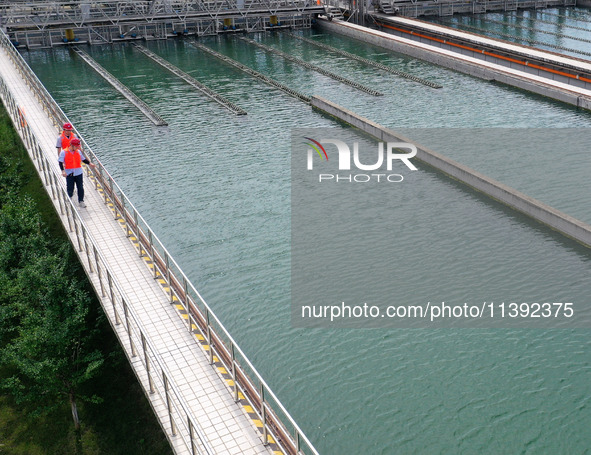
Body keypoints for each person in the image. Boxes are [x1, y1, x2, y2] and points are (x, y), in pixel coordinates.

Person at [58, 138, 96, 208]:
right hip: (69, 173)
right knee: (70, 187)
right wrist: (63, 171)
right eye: (76, 146)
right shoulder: (64, 152)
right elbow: (60, 162)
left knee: (80, 187)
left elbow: (83, 159)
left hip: (78, 173)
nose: (78, 148)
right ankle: (69, 198)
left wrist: (90, 163)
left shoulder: (78, 151)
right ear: (72, 145)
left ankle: (81, 201)